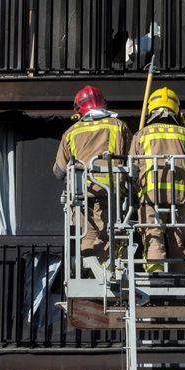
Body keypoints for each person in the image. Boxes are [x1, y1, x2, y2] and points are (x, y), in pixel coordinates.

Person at [53, 85, 132, 269]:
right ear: (103, 104)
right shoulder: (119, 126)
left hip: (81, 194)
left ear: (79, 109)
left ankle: (88, 271)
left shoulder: (71, 132)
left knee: (86, 235)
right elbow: (132, 159)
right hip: (111, 193)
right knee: (107, 236)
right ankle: (104, 273)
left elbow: (58, 171)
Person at [128, 87, 185, 273]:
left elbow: (131, 170)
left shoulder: (141, 135)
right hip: (181, 197)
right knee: (178, 240)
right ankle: (180, 275)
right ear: (176, 109)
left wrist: (134, 194)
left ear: (151, 109)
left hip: (152, 197)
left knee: (153, 237)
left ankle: (156, 273)